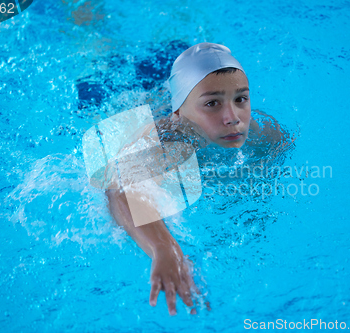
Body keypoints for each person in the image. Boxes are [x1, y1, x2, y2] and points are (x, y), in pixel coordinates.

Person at [105, 43, 290, 316]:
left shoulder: (269, 138)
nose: (233, 118)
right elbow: (118, 186)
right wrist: (163, 247)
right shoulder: (167, 142)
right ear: (178, 112)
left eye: (241, 99)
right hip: (118, 87)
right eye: (212, 104)